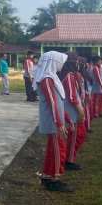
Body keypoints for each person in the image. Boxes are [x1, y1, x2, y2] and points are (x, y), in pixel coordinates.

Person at [33, 51, 71, 192]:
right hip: (53, 122)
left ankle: (47, 176)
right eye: (60, 62)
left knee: (52, 150)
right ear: (53, 62)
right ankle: (54, 180)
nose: (62, 65)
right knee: (58, 150)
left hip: (56, 120)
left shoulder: (52, 78)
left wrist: (66, 117)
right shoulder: (47, 79)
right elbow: (52, 103)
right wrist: (59, 123)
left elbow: (59, 101)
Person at [58, 52, 85, 171]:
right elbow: (71, 96)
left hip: (68, 109)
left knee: (72, 136)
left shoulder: (64, 74)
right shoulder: (69, 75)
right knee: (74, 136)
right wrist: (80, 111)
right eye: (76, 60)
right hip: (72, 110)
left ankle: (67, 159)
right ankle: (69, 160)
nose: (78, 62)